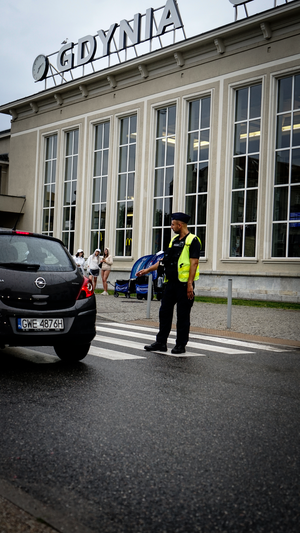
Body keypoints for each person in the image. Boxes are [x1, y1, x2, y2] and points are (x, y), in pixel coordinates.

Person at [137, 212, 201, 354]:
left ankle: (180, 345)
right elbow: (163, 261)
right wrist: (146, 270)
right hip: (170, 284)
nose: (171, 227)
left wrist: (190, 284)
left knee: (182, 316)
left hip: (184, 285)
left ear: (180, 225)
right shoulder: (173, 241)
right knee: (164, 313)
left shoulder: (193, 240)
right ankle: (161, 342)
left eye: (173, 224)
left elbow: (194, 263)